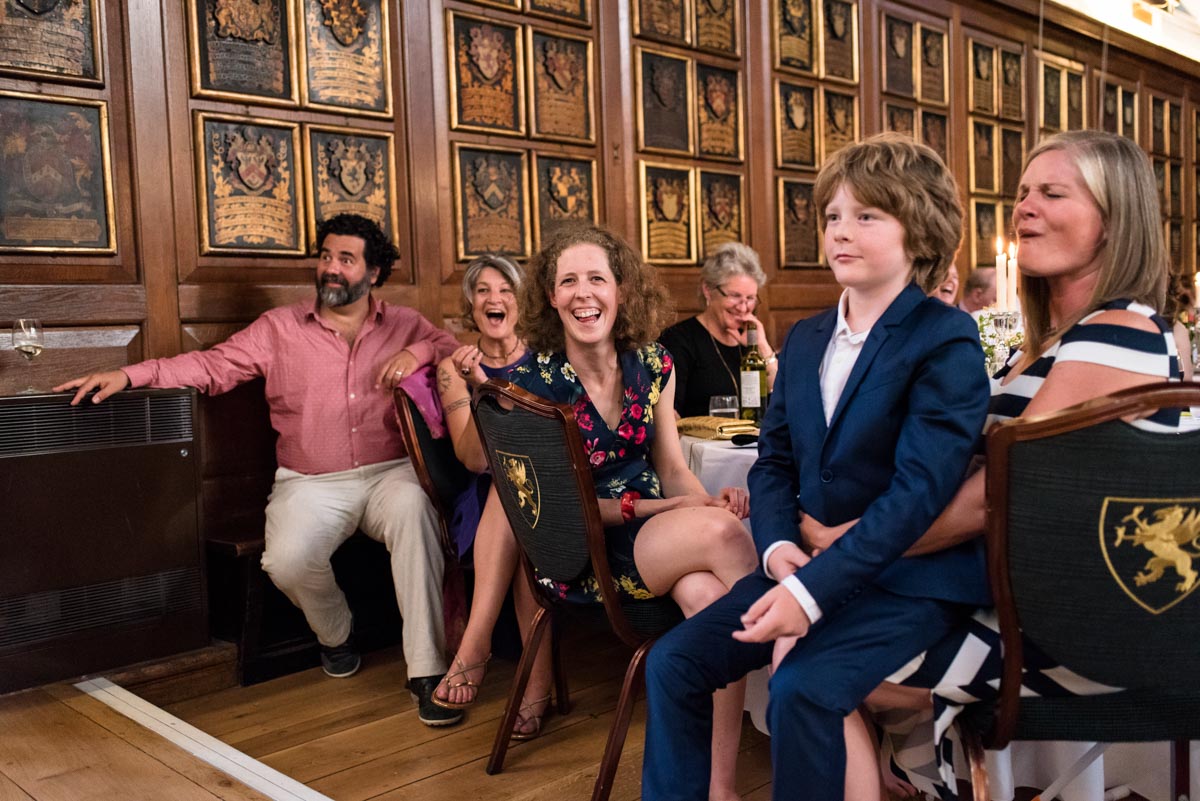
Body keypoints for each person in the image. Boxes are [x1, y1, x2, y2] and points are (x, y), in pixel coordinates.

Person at [805, 130, 1184, 799]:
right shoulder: (1045, 347)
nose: (1024, 207)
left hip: (1081, 633)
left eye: (1053, 193)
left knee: (814, 651)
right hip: (1020, 599)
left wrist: (849, 546)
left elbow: (997, 496)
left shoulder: (1121, 333)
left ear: (1113, 220)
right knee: (803, 622)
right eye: (1022, 193)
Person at [641, 133, 991, 801]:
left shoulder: (943, 336)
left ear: (919, 231)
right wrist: (775, 550)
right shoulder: (804, 338)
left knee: (800, 685)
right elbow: (773, 462)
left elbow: (921, 491)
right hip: (804, 567)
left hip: (907, 582)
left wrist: (809, 594)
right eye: (832, 215)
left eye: (867, 216)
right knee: (673, 662)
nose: (840, 231)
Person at [53, 213, 465, 727]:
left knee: (416, 513)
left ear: (374, 272)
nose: (331, 269)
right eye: (326, 257)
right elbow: (209, 367)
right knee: (286, 561)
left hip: (390, 473)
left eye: (346, 259)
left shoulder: (406, 323)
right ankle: (337, 636)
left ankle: (428, 673)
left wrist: (417, 350)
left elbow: (456, 349)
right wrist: (129, 373)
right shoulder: (278, 329)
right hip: (310, 481)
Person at [433, 223, 758, 799]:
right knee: (725, 535)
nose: (584, 293)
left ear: (623, 290)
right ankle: (790, 657)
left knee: (712, 596)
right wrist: (677, 507)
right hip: (585, 554)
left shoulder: (655, 363)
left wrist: (698, 496)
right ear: (550, 298)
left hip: (654, 535)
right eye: (568, 281)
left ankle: (722, 783)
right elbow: (558, 513)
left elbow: (671, 462)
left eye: (597, 279)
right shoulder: (531, 388)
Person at [435, 255, 532, 558]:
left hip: (545, 480)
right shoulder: (453, 369)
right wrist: (480, 388)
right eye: (482, 291)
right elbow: (474, 461)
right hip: (487, 492)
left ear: (521, 301)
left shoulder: (545, 357)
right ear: (471, 304)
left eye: (506, 290)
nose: (495, 299)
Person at [658, 243, 779, 418]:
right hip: (699, 444)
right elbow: (669, 414)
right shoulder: (678, 340)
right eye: (735, 296)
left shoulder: (751, 343)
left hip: (751, 443)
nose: (744, 307)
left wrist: (762, 347)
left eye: (750, 298)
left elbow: (784, 402)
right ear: (708, 290)